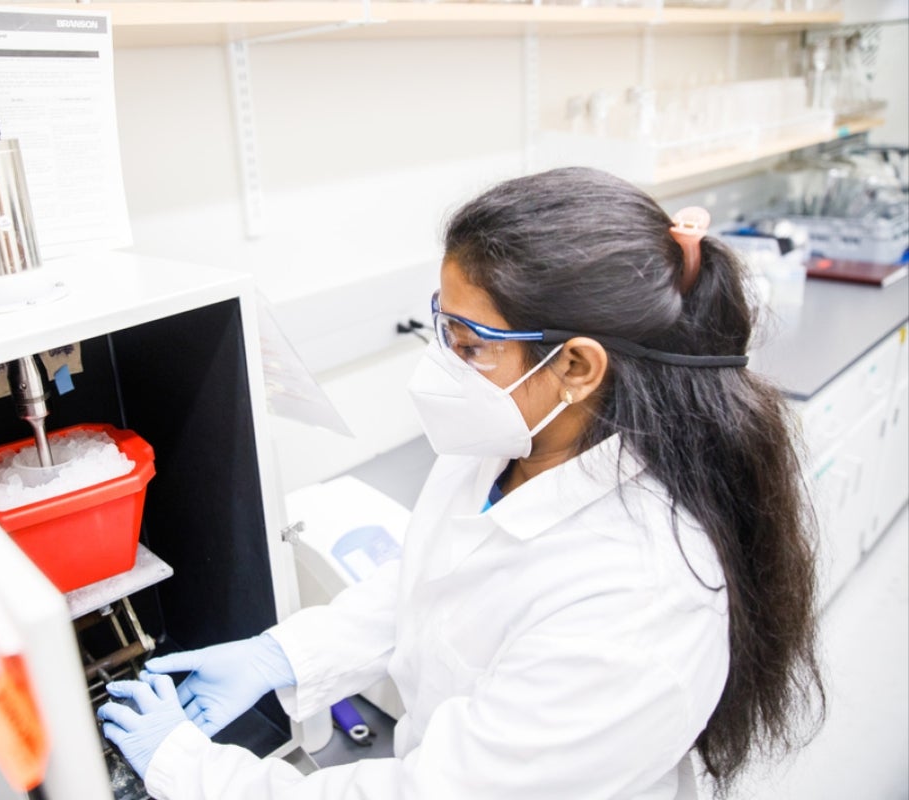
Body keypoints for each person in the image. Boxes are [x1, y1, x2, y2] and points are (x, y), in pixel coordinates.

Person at [98, 167, 823, 799]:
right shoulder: (509, 442)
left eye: (469, 345)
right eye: (444, 329)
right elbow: (430, 584)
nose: (443, 365)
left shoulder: (636, 600)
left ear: (576, 367)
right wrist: (285, 655)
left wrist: (190, 772)